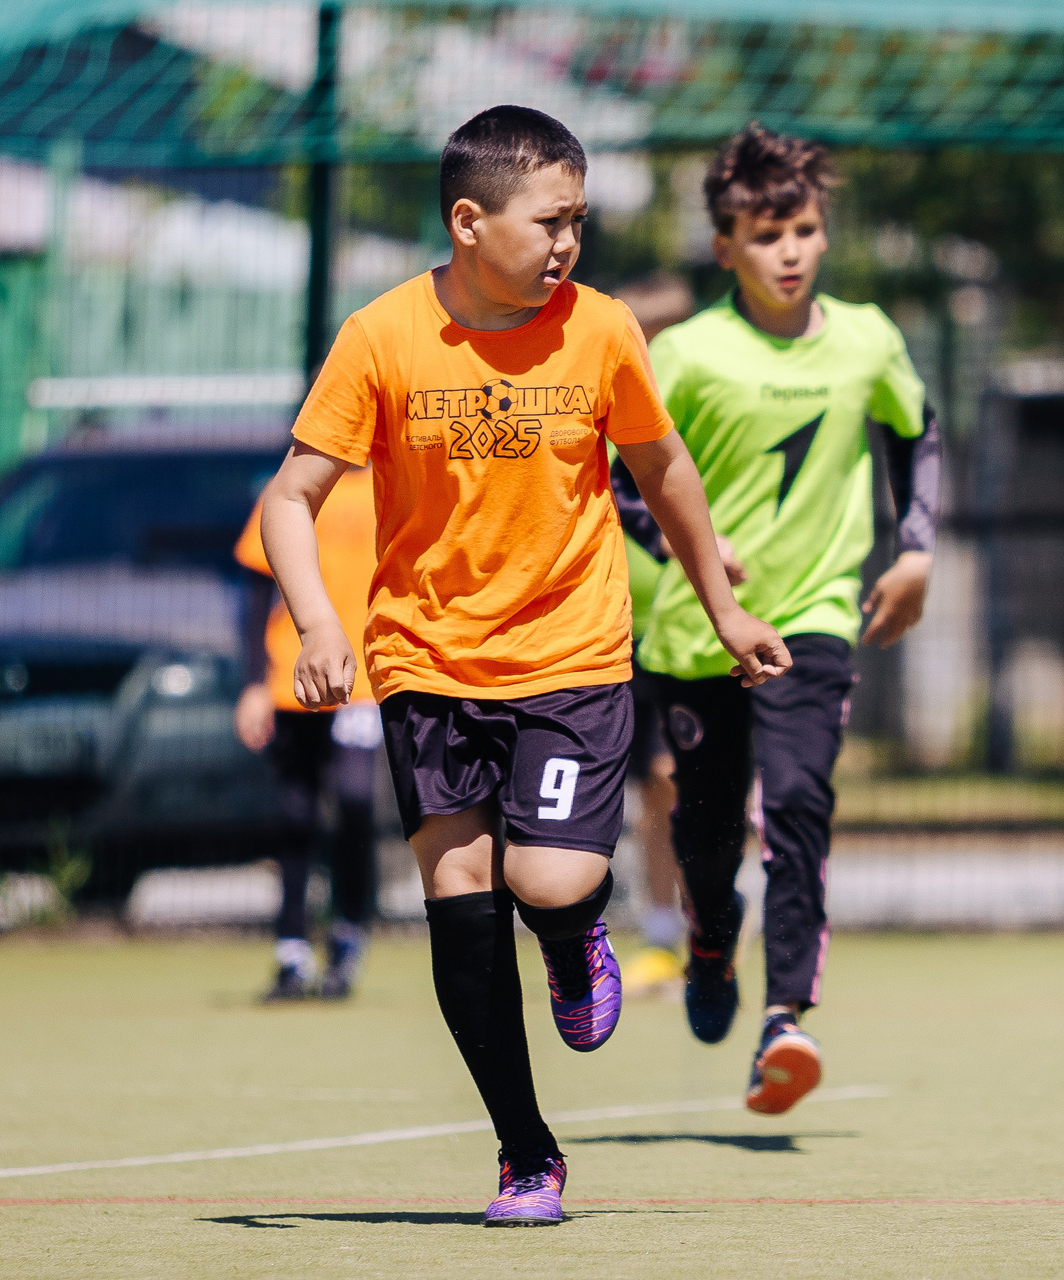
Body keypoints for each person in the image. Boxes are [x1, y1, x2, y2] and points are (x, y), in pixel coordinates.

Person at [260, 105, 789, 1227]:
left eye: (578, 220)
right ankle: (525, 1153)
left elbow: (664, 469)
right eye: (550, 221)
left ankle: (571, 936)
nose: (569, 242)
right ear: (469, 221)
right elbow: (291, 497)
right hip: (425, 661)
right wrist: (318, 626)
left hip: (570, 654)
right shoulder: (381, 336)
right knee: (458, 895)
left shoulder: (600, 329)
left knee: (545, 882)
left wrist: (725, 607)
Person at [633, 123, 939, 1115]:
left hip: (814, 615)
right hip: (698, 631)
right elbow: (618, 478)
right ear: (726, 246)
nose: (791, 251)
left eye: (804, 229)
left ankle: (785, 1020)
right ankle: (709, 938)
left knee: (800, 799)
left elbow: (916, 430)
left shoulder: (868, 338)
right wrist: (694, 550)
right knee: (708, 830)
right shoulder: (684, 354)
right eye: (766, 236)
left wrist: (917, 548)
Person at [232, 464, 377, 1002]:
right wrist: (252, 684)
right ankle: (291, 949)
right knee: (295, 814)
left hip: (363, 682)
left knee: (355, 803)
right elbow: (254, 591)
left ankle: (348, 934)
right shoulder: (293, 484)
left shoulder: (389, 481)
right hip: (292, 679)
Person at [611, 274, 702, 996]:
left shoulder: (695, 413)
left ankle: (708, 926)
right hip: (618, 631)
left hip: (694, 627)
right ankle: (662, 931)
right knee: (650, 788)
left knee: (682, 778)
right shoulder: (598, 410)